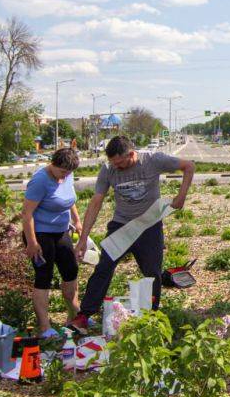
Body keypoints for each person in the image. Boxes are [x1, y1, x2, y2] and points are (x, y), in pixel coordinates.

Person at [68, 135, 195, 334]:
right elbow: (96, 202)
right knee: (104, 267)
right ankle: (84, 315)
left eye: (121, 163)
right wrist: (83, 238)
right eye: (113, 163)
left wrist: (181, 197)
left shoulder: (153, 160)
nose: (117, 167)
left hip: (149, 226)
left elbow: (189, 166)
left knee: (151, 273)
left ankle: (152, 318)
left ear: (131, 154)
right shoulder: (108, 169)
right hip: (121, 226)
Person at [21, 147, 82, 338]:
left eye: (69, 173)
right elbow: (27, 214)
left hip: (61, 231)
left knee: (71, 272)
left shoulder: (67, 175)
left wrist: (77, 220)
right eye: (62, 171)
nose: (64, 176)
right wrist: (31, 242)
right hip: (40, 234)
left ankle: (74, 316)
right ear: (53, 164)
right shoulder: (40, 181)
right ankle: (45, 327)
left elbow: (69, 200)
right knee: (44, 278)